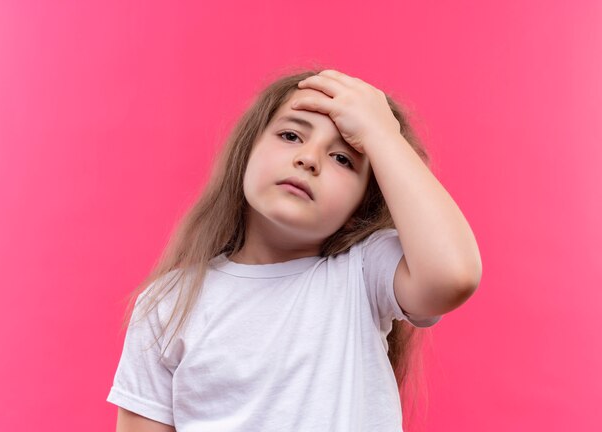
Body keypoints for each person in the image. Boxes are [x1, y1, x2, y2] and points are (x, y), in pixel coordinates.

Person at [106, 67, 482, 432]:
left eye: (342, 158)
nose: (308, 159)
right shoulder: (168, 303)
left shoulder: (364, 272)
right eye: (290, 136)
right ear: (246, 154)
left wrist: (382, 135)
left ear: (360, 208)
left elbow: (453, 276)